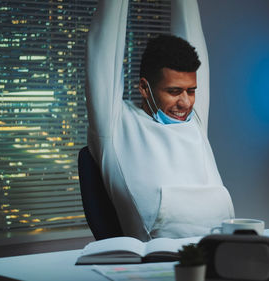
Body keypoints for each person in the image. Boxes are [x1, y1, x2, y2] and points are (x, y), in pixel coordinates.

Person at [85, 0, 234, 241]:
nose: (185, 102)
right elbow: (103, 48)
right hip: (159, 264)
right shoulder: (115, 125)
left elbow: (189, 23)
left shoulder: (193, 122)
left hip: (223, 253)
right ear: (145, 88)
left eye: (191, 91)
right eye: (174, 91)